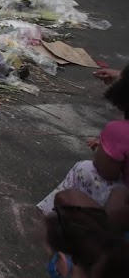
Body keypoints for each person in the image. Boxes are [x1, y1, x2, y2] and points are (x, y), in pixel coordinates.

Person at [37, 66, 128, 218]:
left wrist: (102, 150)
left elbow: (107, 172)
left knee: (84, 169)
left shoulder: (120, 131)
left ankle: (54, 219)